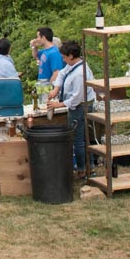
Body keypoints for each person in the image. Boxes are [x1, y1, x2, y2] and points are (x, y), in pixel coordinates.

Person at [46, 41, 96, 178]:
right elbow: (62, 73)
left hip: (81, 107)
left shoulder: (80, 73)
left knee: (78, 139)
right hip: (76, 105)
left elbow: (78, 97)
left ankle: (82, 169)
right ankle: (88, 166)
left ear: (72, 56)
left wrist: (60, 105)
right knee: (80, 138)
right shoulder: (72, 65)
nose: (63, 60)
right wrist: (56, 88)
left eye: (64, 57)